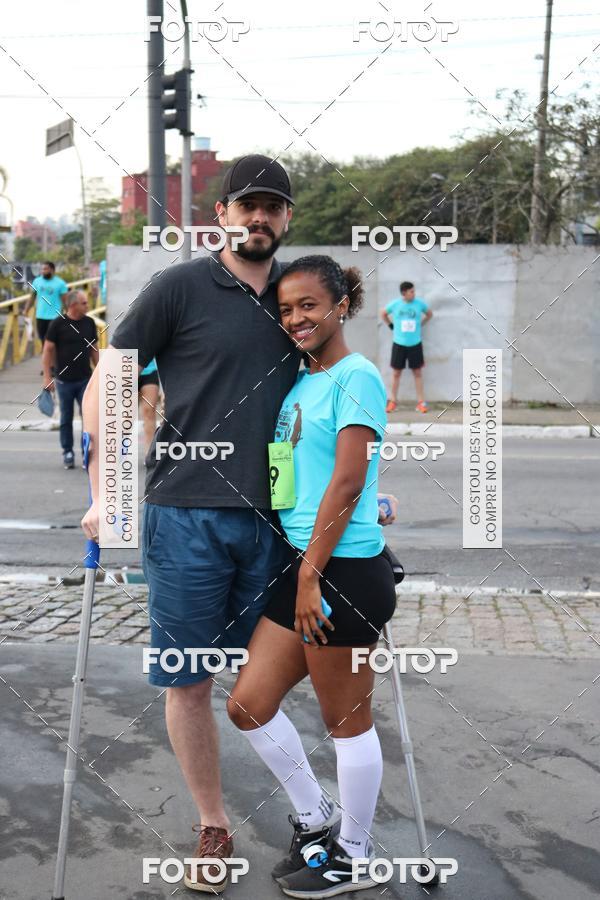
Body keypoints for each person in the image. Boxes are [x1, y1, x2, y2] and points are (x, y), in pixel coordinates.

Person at [81, 155, 301, 893]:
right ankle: (214, 822)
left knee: (266, 684)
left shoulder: (301, 297)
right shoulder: (179, 287)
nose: (258, 218)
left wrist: (364, 488)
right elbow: (109, 381)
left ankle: (315, 817)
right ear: (222, 215)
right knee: (189, 681)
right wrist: (106, 490)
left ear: (287, 218)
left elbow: (337, 400)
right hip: (185, 519)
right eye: (247, 206)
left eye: (272, 207)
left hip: (277, 521)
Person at [227, 255, 397, 898]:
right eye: (286, 308)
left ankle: (353, 854)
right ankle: (317, 815)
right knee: (248, 705)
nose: (295, 317)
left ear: (341, 306)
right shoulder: (301, 382)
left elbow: (349, 479)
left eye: (309, 305)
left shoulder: (356, 376)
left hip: (341, 574)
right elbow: (314, 472)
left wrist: (310, 577)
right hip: (300, 565)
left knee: (345, 721)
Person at [42, 290, 98, 469]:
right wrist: (47, 377)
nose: (87, 306)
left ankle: (86, 453)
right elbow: (47, 350)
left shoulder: (90, 323)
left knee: (88, 418)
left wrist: (101, 373)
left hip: (85, 380)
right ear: (73, 305)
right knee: (66, 418)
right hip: (64, 381)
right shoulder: (58, 324)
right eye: (84, 303)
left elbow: (94, 349)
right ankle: (67, 451)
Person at [381, 280, 432, 414]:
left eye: (414, 291)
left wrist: (421, 324)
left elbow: (429, 314)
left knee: (417, 372)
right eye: (411, 291)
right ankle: (392, 401)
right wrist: (391, 325)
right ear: (404, 293)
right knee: (396, 373)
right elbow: (383, 313)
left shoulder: (419, 304)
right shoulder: (396, 304)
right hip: (399, 343)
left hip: (415, 343)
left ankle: (421, 403)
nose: (414, 294)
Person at [25, 261, 68, 344]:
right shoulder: (37, 281)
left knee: (54, 341)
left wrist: (69, 315)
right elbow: (32, 297)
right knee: (43, 341)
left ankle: (55, 356)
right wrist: (26, 310)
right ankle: (46, 356)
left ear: (52, 270)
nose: (42, 271)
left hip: (55, 317)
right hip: (40, 316)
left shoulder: (60, 283)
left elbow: (65, 301)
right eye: (42, 269)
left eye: (45, 269)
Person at [138, 359, 160, 454]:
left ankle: (150, 454)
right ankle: (121, 453)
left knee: (149, 411)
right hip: (127, 369)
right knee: (126, 416)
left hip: (149, 369)